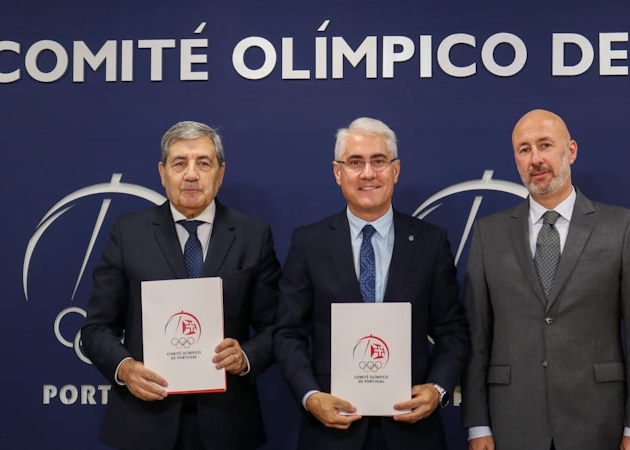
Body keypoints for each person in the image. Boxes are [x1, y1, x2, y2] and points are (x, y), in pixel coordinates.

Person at [461, 109, 630, 450]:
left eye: (545, 145)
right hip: (513, 423)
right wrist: (477, 425)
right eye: (524, 149)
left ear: (570, 151)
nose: (536, 159)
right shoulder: (488, 233)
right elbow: (477, 337)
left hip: (599, 422)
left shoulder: (622, 228)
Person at [81, 121, 281, 450]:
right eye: (179, 163)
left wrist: (246, 355)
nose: (191, 174)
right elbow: (96, 328)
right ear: (162, 173)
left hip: (227, 422)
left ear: (220, 173)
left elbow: (277, 327)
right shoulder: (127, 233)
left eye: (203, 163)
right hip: (144, 421)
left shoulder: (253, 235)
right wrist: (125, 368)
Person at [273, 116, 469, 450]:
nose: (368, 173)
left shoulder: (430, 242)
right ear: (338, 172)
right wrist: (310, 396)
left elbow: (453, 330)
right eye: (355, 162)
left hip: (412, 431)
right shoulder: (309, 243)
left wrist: (437, 389)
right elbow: (288, 333)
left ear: (396, 170)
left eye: (378, 161)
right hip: (331, 432)